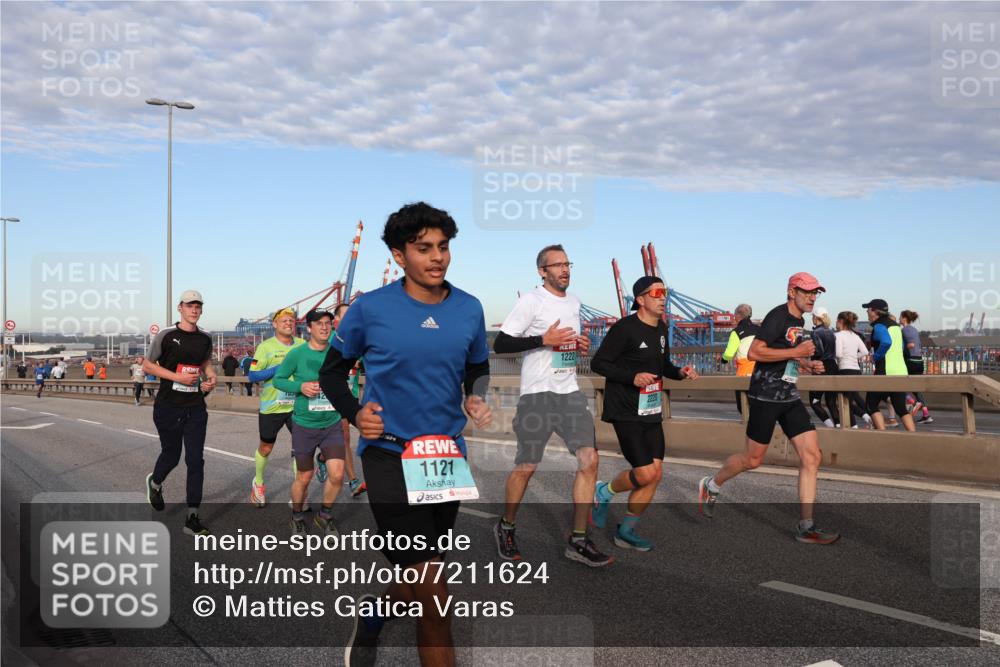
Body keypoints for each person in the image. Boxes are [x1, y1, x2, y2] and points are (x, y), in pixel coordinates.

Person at [318, 202, 491, 667]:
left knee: (422, 575)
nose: (437, 257)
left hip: (444, 456)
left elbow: (477, 365)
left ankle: (374, 613)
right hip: (389, 455)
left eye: (443, 246)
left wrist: (475, 396)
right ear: (399, 255)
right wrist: (356, 413)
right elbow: (332, 373)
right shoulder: (369, 309)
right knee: (436, 596)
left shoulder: (470, 308)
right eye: (423, 248)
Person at [697, 272, 839, 545]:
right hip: (765, 397)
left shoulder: (799, 320)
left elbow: (785, 357)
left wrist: (807, 365)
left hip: (789, 396)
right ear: (791, 291)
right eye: (806, 291)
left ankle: (806, 526)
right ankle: (712, 484)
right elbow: (755, 353)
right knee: (753, 460)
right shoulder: (778, 316)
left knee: (812, 457)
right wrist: (797, 354)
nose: (812, 297)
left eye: (815, 293)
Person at [493, 244, 611, 566]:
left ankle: (578, 540)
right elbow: (502, 343)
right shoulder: (530, 301)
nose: (565, 270)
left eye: (567, 264)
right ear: (542, 271)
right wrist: (542, 340)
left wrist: (579, 345)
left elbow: (565, 345)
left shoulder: (574, 302)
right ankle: (506, 525)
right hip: (537, 396)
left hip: (569, 392)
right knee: (527, 467)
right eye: (557, 265)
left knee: (589, 460)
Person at [590, 275, 698, 551]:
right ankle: (604, 492)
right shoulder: (624, 329)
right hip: (625, 410)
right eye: (657, 292)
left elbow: (663, 364)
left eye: (664, 292)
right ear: (640, 299)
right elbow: (598, 363)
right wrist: (632, 376)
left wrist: (680, 373)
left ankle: (625, 530)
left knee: (656, 473)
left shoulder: (661, 328)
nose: (663, 297)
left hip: (650, 410)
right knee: (646, 473)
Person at [143, 289, 217, 536]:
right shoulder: (166, 335)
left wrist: (211, 376)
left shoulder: (206, 337)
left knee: (195, 460)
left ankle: (192, 517)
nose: (194, 310)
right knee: (172, 456)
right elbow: (147, 364)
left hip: (195, 406)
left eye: (198, 306)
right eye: (189, 306)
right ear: (180, 308)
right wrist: (178, 377)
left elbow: (205, 362)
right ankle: (155, 483)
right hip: (168, 406)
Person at [274, 309, 346, 536]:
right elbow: (279, 380)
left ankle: (324, 516)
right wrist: (301, 387)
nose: (325, 327)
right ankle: (296, 516)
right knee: (304, 477)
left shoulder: (338, 353)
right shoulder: (297, 354)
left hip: (332, 423)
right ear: (309, 328)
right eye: (319, 324)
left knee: (337, 475)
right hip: (305, 425)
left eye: (328, 323)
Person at [247, 308, 305, 507]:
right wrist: (276, 370)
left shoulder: (303, 345)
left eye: (291, 320)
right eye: (284, 320)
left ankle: (299, 493)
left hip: (298, 406)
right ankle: (259, 483)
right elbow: (253, 375)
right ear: (274, 324)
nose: (288, 323)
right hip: (272, 407)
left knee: (302, 450)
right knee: (266, 447)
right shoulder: (264, 347)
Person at [863, 299, 917, 432]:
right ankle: (914, 437)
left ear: (874, 311)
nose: (867, 312)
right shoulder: (895, 326)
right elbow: (903, 348)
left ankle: (882, 436)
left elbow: (886, 342)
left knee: (871, 405)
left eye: (868, 310)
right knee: (900, 408)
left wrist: (875, 357)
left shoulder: (879, 326)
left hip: (886, 371)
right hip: (900, 370)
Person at [331, 303, 366, 498]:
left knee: (345, 437)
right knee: (340, 437)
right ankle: (324, 458)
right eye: (345, 316)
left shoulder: (359, 341)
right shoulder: (328, 341)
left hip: (349, 396)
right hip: (328, 397)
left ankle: (353, 480)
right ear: (336, 321)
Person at [833, 311, 872, 428]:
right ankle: (861, 420)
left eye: (836, 320)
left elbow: (839, 354)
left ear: (840, 322)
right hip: (856, 370)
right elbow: (865, 352)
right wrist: (854, 356)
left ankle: (863, 417)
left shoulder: (838, 335)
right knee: (850, 399)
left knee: (844, 402)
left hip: (844, 370)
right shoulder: (855, 336)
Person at [721, 303, 758, 414]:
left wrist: (724, 359)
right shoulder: (759, 329)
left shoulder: (736, 332)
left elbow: (729, 353)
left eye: (734, 315)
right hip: (760, 370)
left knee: (743, 406)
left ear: (738, 316)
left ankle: (749, 427)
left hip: (745, 371)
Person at [807, 307, 840, 428]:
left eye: (812, 316)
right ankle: (838, 425)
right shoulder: (831, 331)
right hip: (833, 366)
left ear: (816, 317)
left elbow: (819, 351)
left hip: (821, 367)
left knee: (814, 402)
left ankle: (830, 425)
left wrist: (808, 353)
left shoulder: (816, 332)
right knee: (831, 402)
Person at [900, 310, 932, 423]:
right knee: (917, 389)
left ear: (904, 318)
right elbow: (917, 345)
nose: (899, 319)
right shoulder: (914, 330)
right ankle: (926, 414)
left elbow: (911, 344)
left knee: (898, 385)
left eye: (900, 317)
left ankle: (913, 403)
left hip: (911, 362)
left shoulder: (905, 330)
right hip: (919, 362)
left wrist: (902, 350)